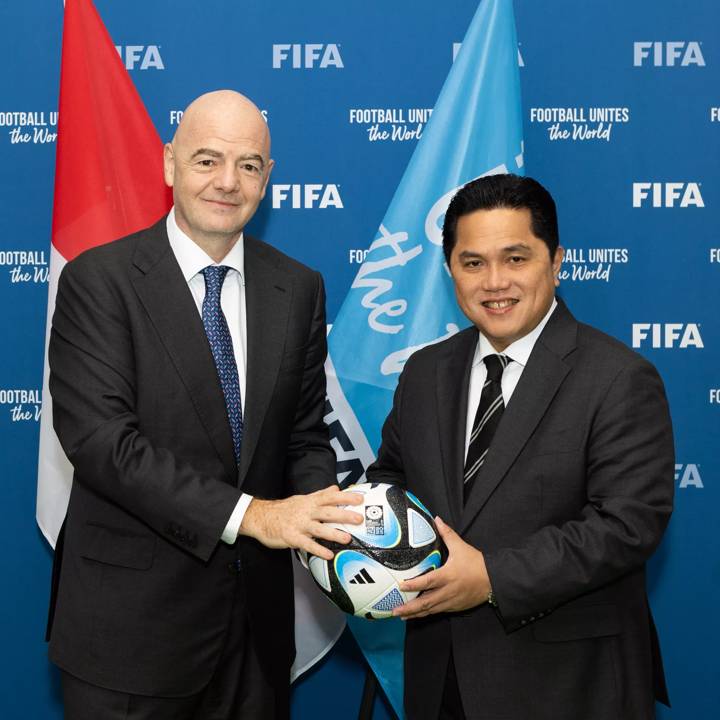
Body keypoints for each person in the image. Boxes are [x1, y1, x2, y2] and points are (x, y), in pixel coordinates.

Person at [46, 90, 361, 720]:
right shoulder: (97, 280)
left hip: (258, 638)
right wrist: (258, 517)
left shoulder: (298, 287)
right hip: (131, 637)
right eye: (207, 159)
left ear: (267, 177)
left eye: (248, 165)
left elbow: (303, 435)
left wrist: (327, 523)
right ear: (169, 164)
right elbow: (105, 444)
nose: (227, 182)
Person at [366, 174, 674, 720]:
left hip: (567, 686)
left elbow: (627, 525)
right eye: (473, 262)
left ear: (556, 262)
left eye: (516, 258)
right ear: (449, 271)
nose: (494, 282)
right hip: (441, 684)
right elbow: (391, 480)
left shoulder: (619, 376)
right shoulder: (424, 372)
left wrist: (490, 578)